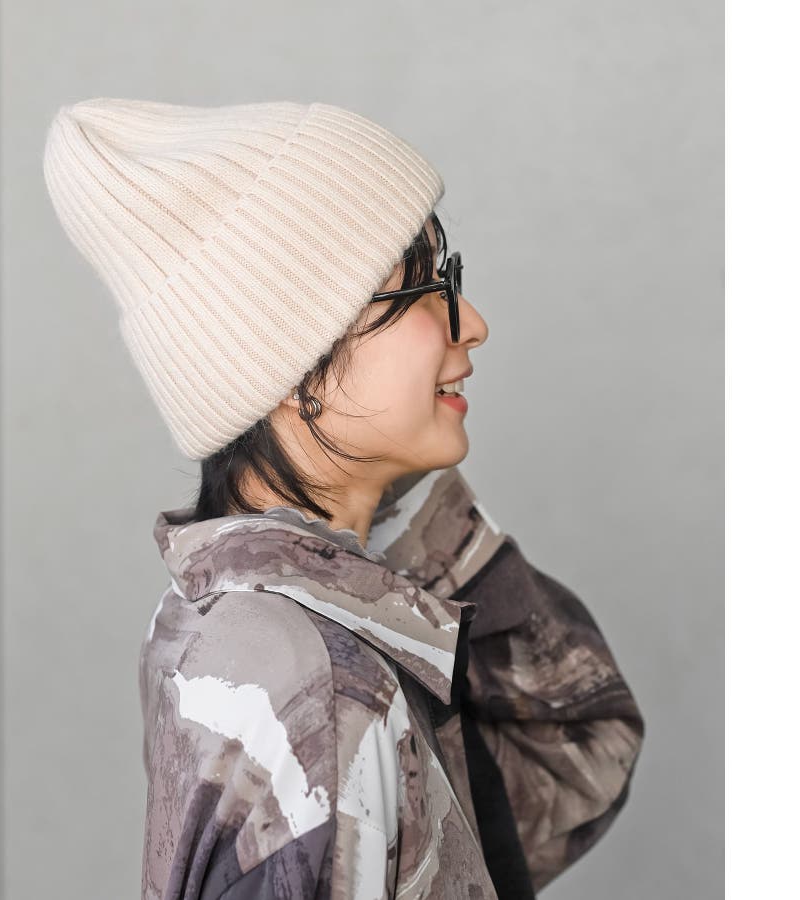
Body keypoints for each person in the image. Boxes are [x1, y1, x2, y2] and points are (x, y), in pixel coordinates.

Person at [43, 97, 646, 899]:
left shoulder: (234, 622)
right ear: (293, 367)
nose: (471, 323)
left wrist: (383, 518)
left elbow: (581, 751)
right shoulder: (315, 681)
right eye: (420, 288)